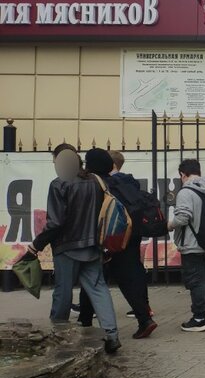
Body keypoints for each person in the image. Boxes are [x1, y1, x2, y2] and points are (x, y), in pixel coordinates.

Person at [25, 145, 121, 353]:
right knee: (99, 289)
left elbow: (56, 222)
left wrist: (36, 245)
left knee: (63, 292)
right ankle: (112, 334)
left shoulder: (59, 184)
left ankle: (57, 334)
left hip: (66, 247)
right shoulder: (95, 182)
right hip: (93, 245)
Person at [76, 149, 157, 339]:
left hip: (107, 240)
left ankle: (85, 321)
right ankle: (144, 319)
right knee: (130, 279)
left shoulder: (94, 185)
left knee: (92, 278)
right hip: (129, 236)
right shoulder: (125, 182)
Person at [167, 159, 205, 332]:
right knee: (201, 275)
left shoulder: (186, 192)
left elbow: (183, 217)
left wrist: (169, 224)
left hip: (191, 241)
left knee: (194, 280)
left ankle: (199, 318)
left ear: (183, 174)